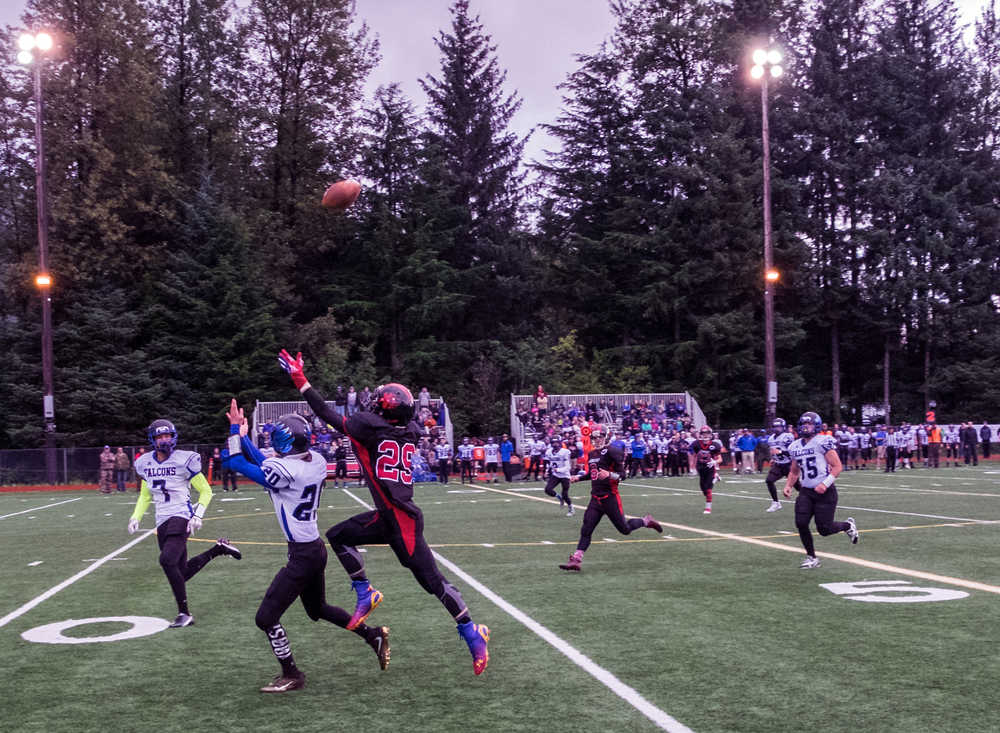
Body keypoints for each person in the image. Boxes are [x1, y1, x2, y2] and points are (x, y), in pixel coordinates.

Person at [277, 350, 490, 675]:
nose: (372, 405)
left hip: (402, 523)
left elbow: (325, 413)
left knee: (433, 583)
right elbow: (400, 423)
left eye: (378, 402)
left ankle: (473, 634)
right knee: (338, 536)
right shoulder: (406, 430)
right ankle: (366, 592)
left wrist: (301, 381)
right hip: (388, 516)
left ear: (383, 410)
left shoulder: (370, 428)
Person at [221, 401, 389, 692]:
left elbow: (237, 463)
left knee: (266, 618)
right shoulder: (316, 462)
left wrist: (236, 430)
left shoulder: (286, 468)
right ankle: (371, 635)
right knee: (318, 608)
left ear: (284, 442)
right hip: (315, 549)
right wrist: (246, 438)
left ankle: (292, 674)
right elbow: (267, 463)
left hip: (302, 556)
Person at [127, 419, 242, 627]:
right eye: (160, 436)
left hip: (181, 515)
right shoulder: (145, 462)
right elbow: (145, 496)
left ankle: (184, 613)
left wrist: (198, 514)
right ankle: (218, 549)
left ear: (174, 436)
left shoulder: (185, 459)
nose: (165, 440)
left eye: (168, 436)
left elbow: (206, 490)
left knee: (166, 560)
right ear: (153, 439)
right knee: (182, 572)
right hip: (161, 519)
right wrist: (136, 516)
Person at [558, 431, 664, 572]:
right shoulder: (592, 454)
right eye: (594, 438)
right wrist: (579, 478)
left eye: (600, 437)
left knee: (624, 529)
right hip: (596, 498)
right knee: (586, 529)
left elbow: (623, 476)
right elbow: (593, 474)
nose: (597, 440)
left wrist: (610, 474)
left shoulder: (611, 451)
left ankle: (645, 521)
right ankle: (576, 560)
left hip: (610, 497)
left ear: (605, 437)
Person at [783, 411, 859, 569]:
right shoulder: (794, 446)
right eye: (803, 424)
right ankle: (811, 557)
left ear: (816, 425)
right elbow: (794, 470)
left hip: (826, 492)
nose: (806, 427)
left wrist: (825, 483)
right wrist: (789, 485)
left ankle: (848, 526)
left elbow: (837, 467)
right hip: (806, 491)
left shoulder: (823, 441)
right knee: (801, 523)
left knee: (825, 529)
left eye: (809, 424)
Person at [764, 418, 794, 512]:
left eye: (779, 427)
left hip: (789, 465)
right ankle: (776, 503)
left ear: (783, 427)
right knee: (769, 480)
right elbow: (773, 451)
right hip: (779, 465)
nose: (777, 429)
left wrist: (780, 452)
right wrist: (773, 458)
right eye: (775, 427)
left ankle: (812, 501)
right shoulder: (771, 438)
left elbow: (793, 452)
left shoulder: (788, 436)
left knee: (799, 487)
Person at [690, 426, 722, 514]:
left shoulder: (714, 445)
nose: (705, 435)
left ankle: (708, 508)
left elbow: (720, 459)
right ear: (700, 434)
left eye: (707, 433)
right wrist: (692, 468)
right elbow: (694, 456)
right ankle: (715, 478)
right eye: (703, 433)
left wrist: (714, 462)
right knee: (703, 489)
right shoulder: (696, 444)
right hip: (700, 468)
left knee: (708, 489)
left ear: (710, 434)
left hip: (710, 468)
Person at [542, 437, 575, 516]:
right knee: (548, 490)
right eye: (553, 443)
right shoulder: (549, 452)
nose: (555, 444)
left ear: (560, 443)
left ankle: (571, 508)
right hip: (556, 475)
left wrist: (558, 470)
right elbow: (548, 463)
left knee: (565, 494)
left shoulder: (565, 452)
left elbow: (568, 467)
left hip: (565, 475)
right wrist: (546, 471)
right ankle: (559, 497)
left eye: (556, 443)